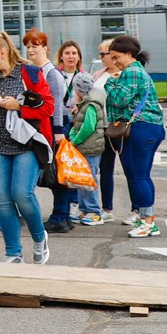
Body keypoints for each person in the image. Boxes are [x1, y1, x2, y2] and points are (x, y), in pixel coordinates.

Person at [0, 33, 50, 263]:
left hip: (26, 143)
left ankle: (39, 237)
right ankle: (13, 253)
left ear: (3, 53)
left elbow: (48, 106)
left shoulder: (30, 73)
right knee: (2, 200)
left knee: (22, 194)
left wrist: (19, 107)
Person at [101, 36, 167, 238]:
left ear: (129, 54)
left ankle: (147, 221)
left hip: (141, 127)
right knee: (139, 175)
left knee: (138, 176)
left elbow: (119, 100)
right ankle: (144, 217)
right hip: (147, 127)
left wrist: (109, 83)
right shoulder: (136, 71)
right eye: (112, 58)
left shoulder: (131, 72)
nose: (114, 62)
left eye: (117, 57)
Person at [20, 31, 71, 231]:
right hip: (48, 126)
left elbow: (58, 104)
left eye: (35, 45)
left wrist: (58, 131)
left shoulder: (51, 73)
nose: (31, 50)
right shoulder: (40, 70)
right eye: (29, 46)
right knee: (56, 173)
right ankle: (62, 215)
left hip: (55, 127)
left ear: (45, 48)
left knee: (56, 174)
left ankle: (60, 216)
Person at [55, 40, 105, 225]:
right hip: (64, 121)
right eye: (67, 53)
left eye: (74, 53)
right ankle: (79, 206)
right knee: (70, 167)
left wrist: (75, 139)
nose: (70, 56)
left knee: (85, 171)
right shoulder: (56, 74)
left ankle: (88, 208)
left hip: (79, 128)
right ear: (61, 56)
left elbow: (89, 125)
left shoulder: (84, 79)